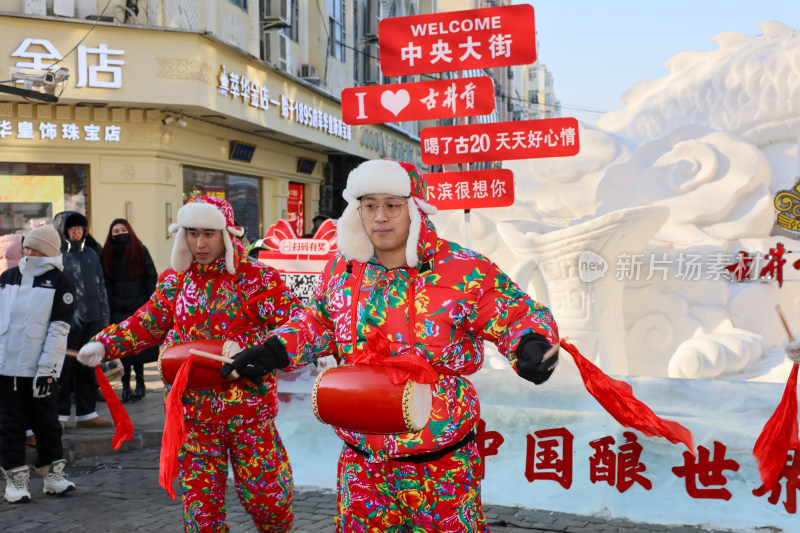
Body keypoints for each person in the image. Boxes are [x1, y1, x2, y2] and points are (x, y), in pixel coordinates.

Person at [221, 159, 560, 532]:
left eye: (392, 205)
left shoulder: (461, 268)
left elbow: (513, 311)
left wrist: (530, 343)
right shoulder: (343, 268)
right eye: (369, 205)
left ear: (414, 208)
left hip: (440, 465)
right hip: (362, 463)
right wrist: (272, 351)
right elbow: (316, 322)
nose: (380, 217)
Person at [76, 196, 304, 532]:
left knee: (269, 502)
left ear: (226, 234)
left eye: (209, 234)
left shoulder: (256, 278)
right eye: (192, 233)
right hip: (193, 416)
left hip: (249, 414)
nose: (199, 243)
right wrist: (104, 344)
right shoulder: (175, 280)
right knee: (201, 515)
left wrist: (270, 351)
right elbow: (147, 322)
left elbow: (297, 321)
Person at [0, 225, 77, 503]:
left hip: (40, 371)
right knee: (10, 425)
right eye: (27, 246)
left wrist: (48, 372)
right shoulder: (7, 277)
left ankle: (52, 475)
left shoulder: (60, 281)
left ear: (48, 250)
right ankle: (16, 482)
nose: (29, 252)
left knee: (47, 424)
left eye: (35, 248)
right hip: (7, 371)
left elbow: (59, 330)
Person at [52, 211, 112, 429]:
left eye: (80, 229)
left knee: (88, 366)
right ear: (63, 230)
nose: (76, 233)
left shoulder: (91, 253)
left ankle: (87, 414)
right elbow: (52, 290)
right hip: (68, 323)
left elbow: (100, 286)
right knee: (64, 369)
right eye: (72, 229)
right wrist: (66, 312)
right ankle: (60, 415)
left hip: (93, 319)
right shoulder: (56, 256)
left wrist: (104, 317)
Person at [100, 219, 159, 402]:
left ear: (130, 231)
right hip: (117, 306)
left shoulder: (140, 249)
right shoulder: (107, 253)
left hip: (138, 305)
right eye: (115, 231)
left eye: (123, 230)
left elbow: (151, 276)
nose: (119, 234)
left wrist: (150, 302)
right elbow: (105, 283)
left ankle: (140, 382)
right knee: (122, 347)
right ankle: (126, 385)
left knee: (137, 347)